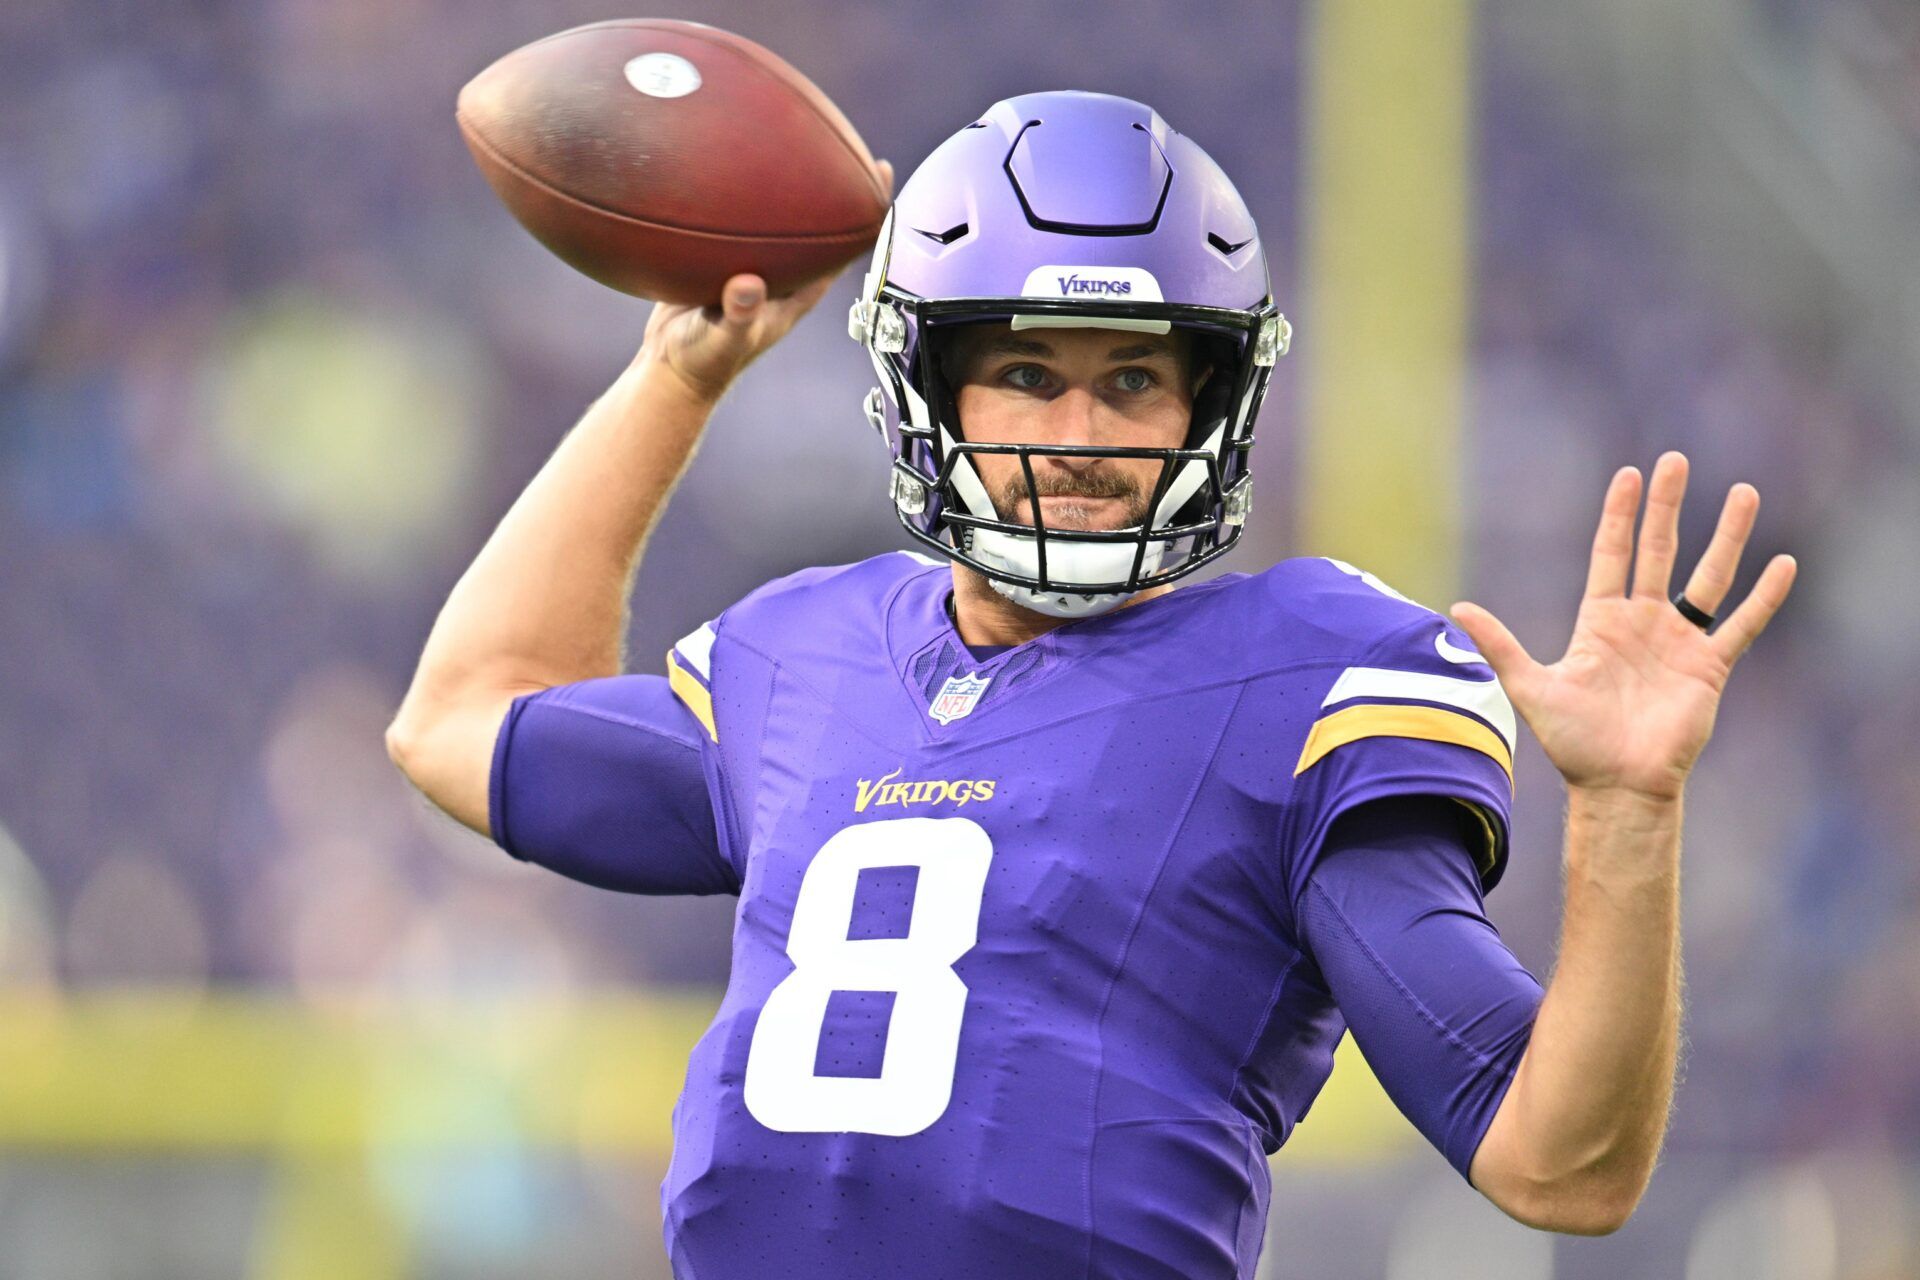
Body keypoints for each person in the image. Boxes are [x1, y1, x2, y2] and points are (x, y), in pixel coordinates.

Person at [387, 91, 1797, 1278]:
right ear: (930, 390)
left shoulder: (1310, 675)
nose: (1081, 434)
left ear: (1212, 407)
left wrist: (1625, 809)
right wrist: (676, 378)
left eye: (1134, 382)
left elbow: (1564, 1164)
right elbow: (462, 720)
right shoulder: (802, 654)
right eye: (1024, 374)